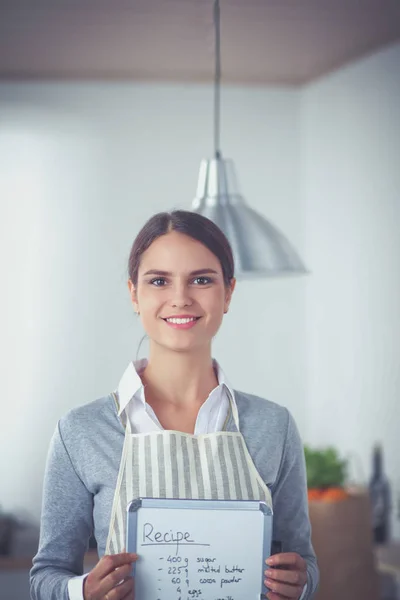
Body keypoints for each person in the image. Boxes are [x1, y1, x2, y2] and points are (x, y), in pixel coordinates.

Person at [30, 210, 319, 600]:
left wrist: (300, 586)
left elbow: (303, 562)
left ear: (228, 292)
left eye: (201, 280)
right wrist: (82, 592)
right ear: (134, 294)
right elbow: (45, 576)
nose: (180, 298)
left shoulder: (274, 426)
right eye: (159, 281)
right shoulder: (81, 432)